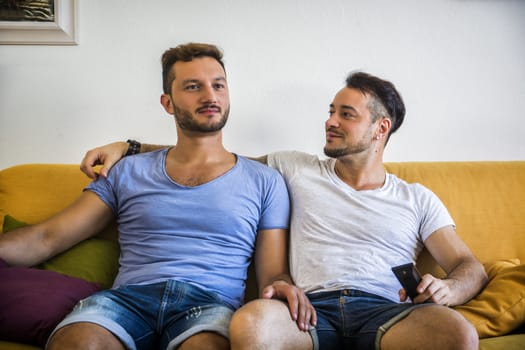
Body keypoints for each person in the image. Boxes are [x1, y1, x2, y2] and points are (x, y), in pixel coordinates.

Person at [80, 71, 488, 350]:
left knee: (456, 333)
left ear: (380, 129)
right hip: (308, 311)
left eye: (346, 115)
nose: (330, 121)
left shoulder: (416, 198)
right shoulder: (294, 167)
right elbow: (212, 158)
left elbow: (469, 266)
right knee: (250, 324)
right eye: (330, 111)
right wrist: (131, 148)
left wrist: (450, 289)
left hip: (386, 311)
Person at [0, 43, 315, 350]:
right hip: (127, 302)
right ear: (167, 103)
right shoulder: (127, 171)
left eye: (218, 85)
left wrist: (284, 285)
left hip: (210, 307)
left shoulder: (265, 181)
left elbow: (272, 274)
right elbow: (48, 237)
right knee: (78, 341)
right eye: (193, 87)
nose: (210, 96)